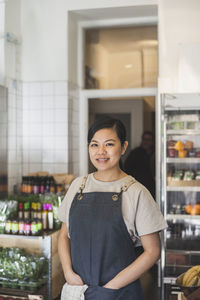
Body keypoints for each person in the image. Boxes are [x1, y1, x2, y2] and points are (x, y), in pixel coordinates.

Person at [58, 117, 167, 300]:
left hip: (118, 292)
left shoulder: (136, 192)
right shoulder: (78, 186)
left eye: (109, 144)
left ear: (123, 147)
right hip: (78, 289)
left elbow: (153, 251)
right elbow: (63, 235)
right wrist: (68, 272)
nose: (101, 152)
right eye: (94, 145)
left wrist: (109, 288)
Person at [124, 131, 155, 198]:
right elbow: (126, 169)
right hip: (138, 186)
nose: (146, 142)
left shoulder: (156, 153)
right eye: (144, 139)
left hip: (153, 188)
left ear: (152, 141)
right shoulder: (135, 153)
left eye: (149, 140)